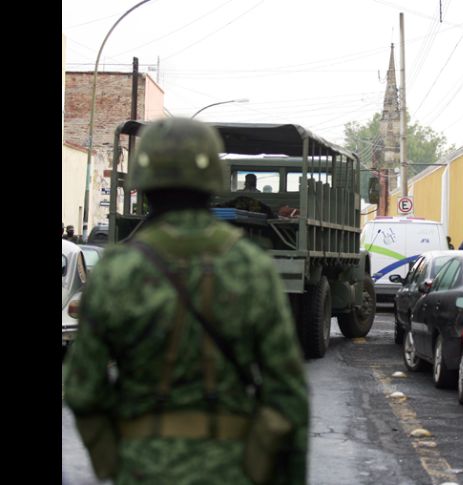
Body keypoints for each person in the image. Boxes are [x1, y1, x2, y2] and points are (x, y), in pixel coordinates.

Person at [63, 118, 309, 485]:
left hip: (142, 466)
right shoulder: (250, 266)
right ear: (212, 180)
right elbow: (287, 395)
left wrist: (113, 462)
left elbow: (83, 389)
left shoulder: (118, 269)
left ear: (143, 184)